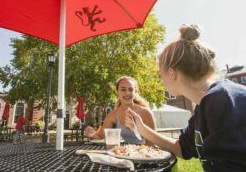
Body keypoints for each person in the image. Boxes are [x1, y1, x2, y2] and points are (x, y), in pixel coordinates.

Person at [125, 24, 246, 172]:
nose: (160, 81)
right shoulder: (206, 105)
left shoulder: (221, 100)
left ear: (171, 73)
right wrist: (142, 129)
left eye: (159, 75)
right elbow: (182, 148)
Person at [85, 76, 156, 144]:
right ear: (117, 92)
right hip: (120, 152)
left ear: (135, 92)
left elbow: (152, 143)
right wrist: (92, 134)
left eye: (131, 89)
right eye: (123, 89)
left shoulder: (146, 113)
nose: (127, 93)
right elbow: (101, 137)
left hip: (142, 153)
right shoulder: (113, 114)